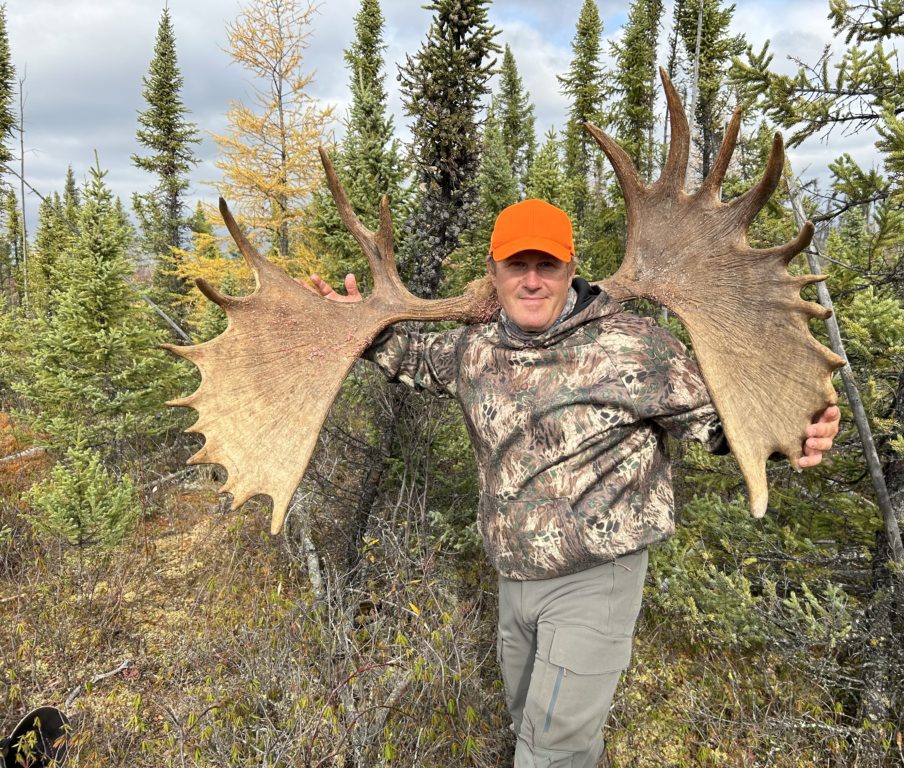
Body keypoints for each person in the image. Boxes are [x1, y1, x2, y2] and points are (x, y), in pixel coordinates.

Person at [308, 199, 840, 768]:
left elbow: (717, 424)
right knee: (533, 725)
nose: (532, 281)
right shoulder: (477, 348)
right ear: (494, 271)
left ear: (571, 268)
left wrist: (792, 436)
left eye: (548, 265)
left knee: (549, 750)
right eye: (517, 265)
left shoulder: (634, 345)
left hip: (595, 577)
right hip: (513, 578)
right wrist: (358, 327)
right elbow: (414, 356)